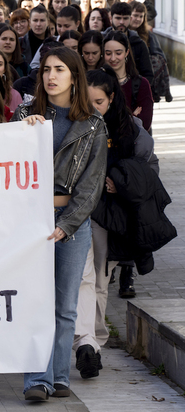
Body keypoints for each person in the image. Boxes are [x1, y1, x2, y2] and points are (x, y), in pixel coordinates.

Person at [14, 47, 107, 402]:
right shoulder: (26, 113)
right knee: (34, 301)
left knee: (65, 305)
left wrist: (67, 224)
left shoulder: (93, 123)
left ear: (74, 76)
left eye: (59, 70)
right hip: (31, 220)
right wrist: (21, 132)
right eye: (46, 70)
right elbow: (6, 167)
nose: (51, 76)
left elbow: (92, 183)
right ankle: (37, 380)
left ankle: (60, 376)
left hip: (72, 221)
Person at [73, 65, 160, 380]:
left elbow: (149, 169)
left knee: (99, 279)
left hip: (111, 215)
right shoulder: (75, 124)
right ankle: (87, 342)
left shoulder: (131, 130)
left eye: (98, 101)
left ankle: (93, 342)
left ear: (111, 99)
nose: (92, 107)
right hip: (76, 212)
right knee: (82, 278)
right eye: (87, 100)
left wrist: (120, 182)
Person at [103, 32, 154, 132]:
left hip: (130, 145)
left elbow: (144, 124)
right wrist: (131, 117)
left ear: (127, 52)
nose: (113, 58)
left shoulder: (141, 84)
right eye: (108, 53)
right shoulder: (96, 81)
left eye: (118, 53)